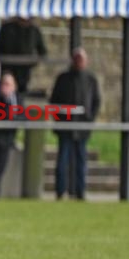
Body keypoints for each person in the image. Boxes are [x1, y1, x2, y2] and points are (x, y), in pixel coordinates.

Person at [50, 47, 101, 200]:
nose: (79, 62)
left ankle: (80, 192)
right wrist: (59, 118)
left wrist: (90, 118)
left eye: (82, 59)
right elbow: (54, 101)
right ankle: (60, 192)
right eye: (77, 59)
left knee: (81, 161)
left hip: (82, 127)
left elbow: (96, 101)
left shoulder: (91, 79)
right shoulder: (63, 78)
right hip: (65, 126)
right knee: (62, 161)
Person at [0, 73, 22, 197]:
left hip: (7, 141)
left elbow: (21, 116)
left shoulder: (17, 98)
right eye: (4, 84)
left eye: (9, 84)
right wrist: (5, 100)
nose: (6, 87)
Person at [0, 17, 47, 94]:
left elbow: (42, 52)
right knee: (5, 93)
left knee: (21, 95)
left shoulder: (34, 30)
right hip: (7, 70)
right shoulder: (7, 28)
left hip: (24, 73)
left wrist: (30, 64)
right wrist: (5, 63)